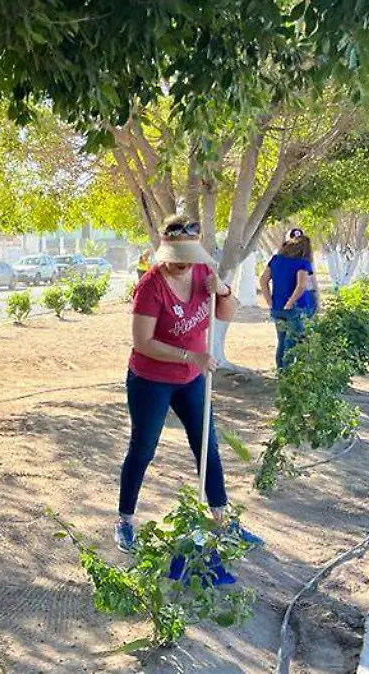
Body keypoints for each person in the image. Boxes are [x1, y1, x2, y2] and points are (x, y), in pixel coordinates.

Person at [114, 215, 261, 552]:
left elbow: (226, 313)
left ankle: (223, 522)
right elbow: (142, 342)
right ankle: (124, 521)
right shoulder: (151, 287)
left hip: (191, 380)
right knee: (143, 449)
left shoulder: (202, 272)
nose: (182, 264)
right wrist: (190, 356)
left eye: (188, 256)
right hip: (150, 380)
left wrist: (222, 290)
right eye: (176, 257)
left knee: (206, 445)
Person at [260, 235, 314, 369]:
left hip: (277, 307)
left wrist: (270, 302)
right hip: (296, 308)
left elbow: (263, 280)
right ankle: (289, 377)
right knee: (293, 343)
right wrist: (290, 303)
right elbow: (301, 285)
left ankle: (281, 373)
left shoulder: (275, 260)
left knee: (282, 342)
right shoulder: (303, 263)